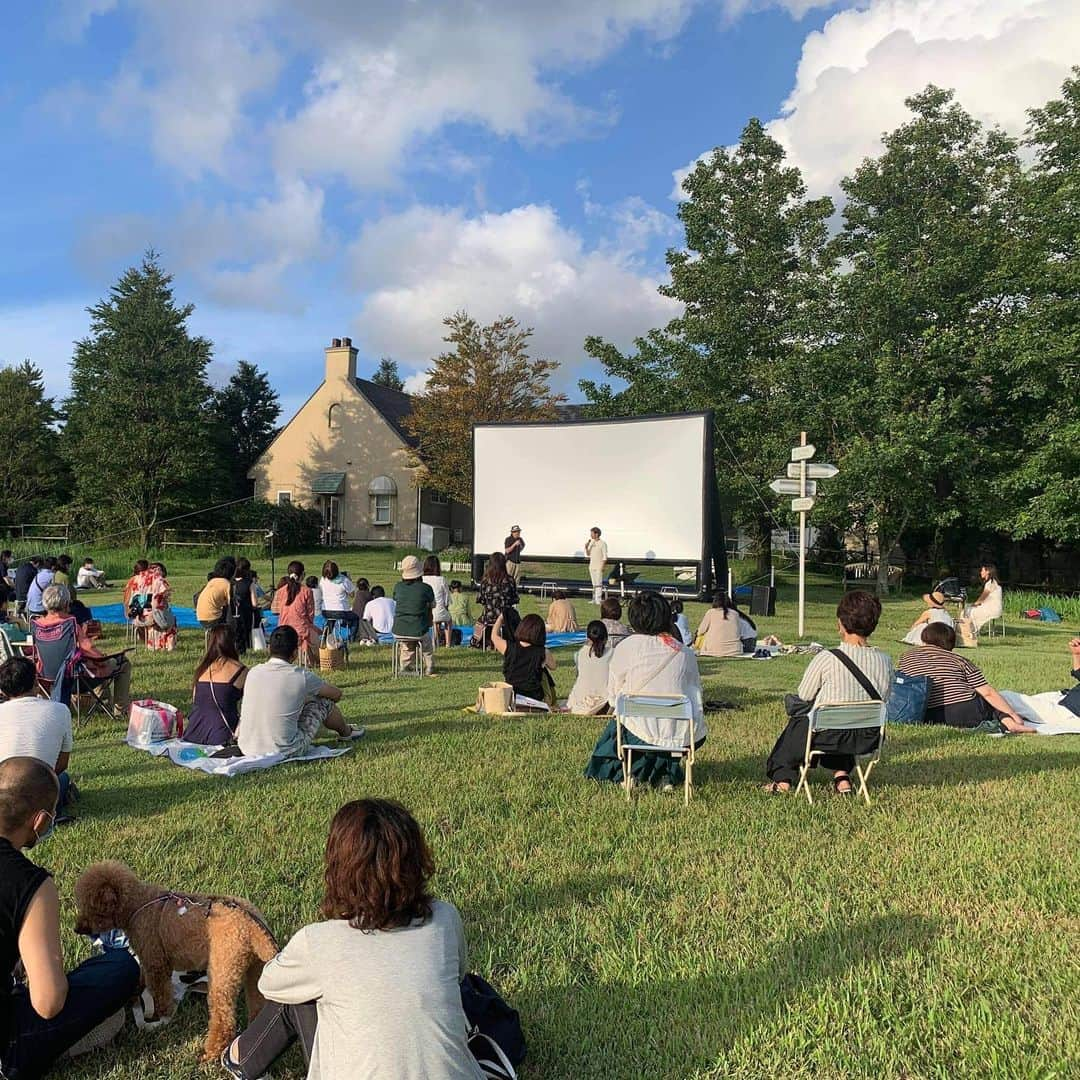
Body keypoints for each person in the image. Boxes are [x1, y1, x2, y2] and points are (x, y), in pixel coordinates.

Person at [221, 798, 484, 1080]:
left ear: (338, 869)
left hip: (313, 970)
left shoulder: (318, 943)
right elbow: (458, 977)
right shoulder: (444, 919)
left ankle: (240, 1057)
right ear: (417, 860)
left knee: (297, 988)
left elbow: (269, 983)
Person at [0, 758, 141, 1078]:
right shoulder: (30, 884)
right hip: (7, 1046)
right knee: (121, 967)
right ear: (39, 821)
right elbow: (47, 1003)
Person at [764, 591, 893, 796]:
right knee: (845, 720)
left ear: (841, 622)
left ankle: (783, 779)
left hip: (827, 735)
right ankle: (842, 776)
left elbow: (804, 695)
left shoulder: (828, 658)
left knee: (802, 719)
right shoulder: (885, 660)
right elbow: (885, 698)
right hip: (868, 735)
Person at [584, 592, 705, 791]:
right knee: (659, 730)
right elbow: (695, 694)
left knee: (624, 730)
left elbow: (614, 695)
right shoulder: (685, 653)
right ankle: (663, 774)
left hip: (636, 727)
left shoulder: (626, 647)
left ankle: (634, 773)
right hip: (679, 733)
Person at [236, 627, 364, 759]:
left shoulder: (254, 672)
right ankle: (346, 733)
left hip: (246, 747)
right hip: (284, 750)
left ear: (269, 648)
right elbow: (336, 694)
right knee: (324, 702)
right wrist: (308, 698)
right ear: (295, 653)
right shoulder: (300, 676)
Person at [898, 623, 1032, 733]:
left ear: (924, 638)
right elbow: (987, 692)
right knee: (988, 700)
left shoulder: (906, 657)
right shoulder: (959, 660)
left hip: (925, 714)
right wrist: (1013, 714)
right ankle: (1010, 723)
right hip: (964, 711)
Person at [0, 658, 74, 812]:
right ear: (36, 682)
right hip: (41, 793)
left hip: (5, 795)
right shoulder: (60, 710)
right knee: (63, 778)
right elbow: (61, 765)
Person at [998, 638, 1080, 730]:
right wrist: (1076, 654)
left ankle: (1010, 723)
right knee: (1004, 702)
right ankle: (1008, 721)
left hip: (1066, 712)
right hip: (1062, 697)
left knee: (1003, 697)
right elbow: (1078, 673)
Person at [185, 627, 248, 746]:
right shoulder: (240, 670)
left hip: (194, 732)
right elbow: (251, 705)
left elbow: (195, 700)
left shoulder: (202, 669)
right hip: (222, 734)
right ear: (232, 643)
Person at [491, 612, 556, 707]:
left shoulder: (508, 647)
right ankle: (550, 700)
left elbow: (494, 636)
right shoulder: (543, 652)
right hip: (535, 698)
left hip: (511, 696)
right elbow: (553, 667)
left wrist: (500, 619)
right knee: (544, 673)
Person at [392, 557, 436, 676]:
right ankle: (429, 666)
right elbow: (433, 605)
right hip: (418, 628)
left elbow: (396, 600)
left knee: (406, 644)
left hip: (398, 629)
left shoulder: (398, 587)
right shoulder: (426, 588)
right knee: (426, 644)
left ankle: (405, 666)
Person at [274, 561, 319, 666]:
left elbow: (276, 610)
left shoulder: (281, 591)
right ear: (303, 575)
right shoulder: (307, 591)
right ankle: (313, 660)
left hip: (283, 628)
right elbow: (310, 615)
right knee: (316, 637)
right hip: (301, 630)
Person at [566, 621, 613, 714]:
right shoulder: (613, 653)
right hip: (603, 703)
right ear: (606, 637)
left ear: (588, 637)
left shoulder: (580, 653)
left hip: (578, 702)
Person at [475, 552, 519, 648]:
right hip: (506, 617)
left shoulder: (485, 581)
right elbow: (515, 599)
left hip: (489, 617)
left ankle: (478, 641)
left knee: (479, 621)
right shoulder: (510, 580)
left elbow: (481, 599)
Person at [320, 561, 360, 641]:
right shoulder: (344, 580)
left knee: (330, 620)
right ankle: (352, 638)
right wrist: (349, 579)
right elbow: (352, 595)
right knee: (355, 618)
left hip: (326, 610)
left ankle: (325, 637)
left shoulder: (322, 580)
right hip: (341, 611)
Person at [694, 593, 742, 657]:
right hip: (735, 650)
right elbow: (739, 632)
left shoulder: (711, 612)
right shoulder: (735, 614)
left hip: (713, 650)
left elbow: (701, 631)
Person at [142, 562, 177, 651]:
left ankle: (153, 645)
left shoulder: (145, 581)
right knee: (171, 620)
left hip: (145, 612)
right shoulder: (160, 581)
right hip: (157, 612)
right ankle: (169, 646)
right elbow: (164, 595)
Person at [422, 556, 453, 648]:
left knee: (435, 620)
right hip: (439, 611)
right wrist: (445, 608)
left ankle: (435, 641)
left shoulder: (422, 579)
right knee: (449, 621)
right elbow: (447, 598)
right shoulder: (441, 579)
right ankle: (448, 643)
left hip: (426, 612)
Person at [964, 563, 1003, 634]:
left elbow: (982, 598)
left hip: (992, 609)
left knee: (969, 610)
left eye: (982, 570)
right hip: (993, 607)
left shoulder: (990, 584)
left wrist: (974, 604)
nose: (981, 572)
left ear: (987, 571)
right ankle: (969, 629)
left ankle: (970, 630)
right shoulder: (992, 582)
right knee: (968, 607)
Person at [197, 556, 236, 629]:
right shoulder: (226, 584)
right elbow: (232, 604)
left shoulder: (212, 581)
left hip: (201, 617)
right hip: (214, 618)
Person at [230, 557, 258, 655]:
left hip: (231, 614)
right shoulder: (250, 583)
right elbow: (255, 603)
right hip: (245, 614)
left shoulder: (230, 582)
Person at [585, 526, 608, 604]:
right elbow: (588, 554)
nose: (591, 535)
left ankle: (598, 599)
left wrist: (603, 566)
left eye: (592, 534)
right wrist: (586, 546)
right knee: (594, 583)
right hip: (592, 566)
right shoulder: (592, 542)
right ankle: (594, 598)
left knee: (598, 583)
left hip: (599, 566)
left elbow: (605, 556)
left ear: (597, 534)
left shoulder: (603, 543)